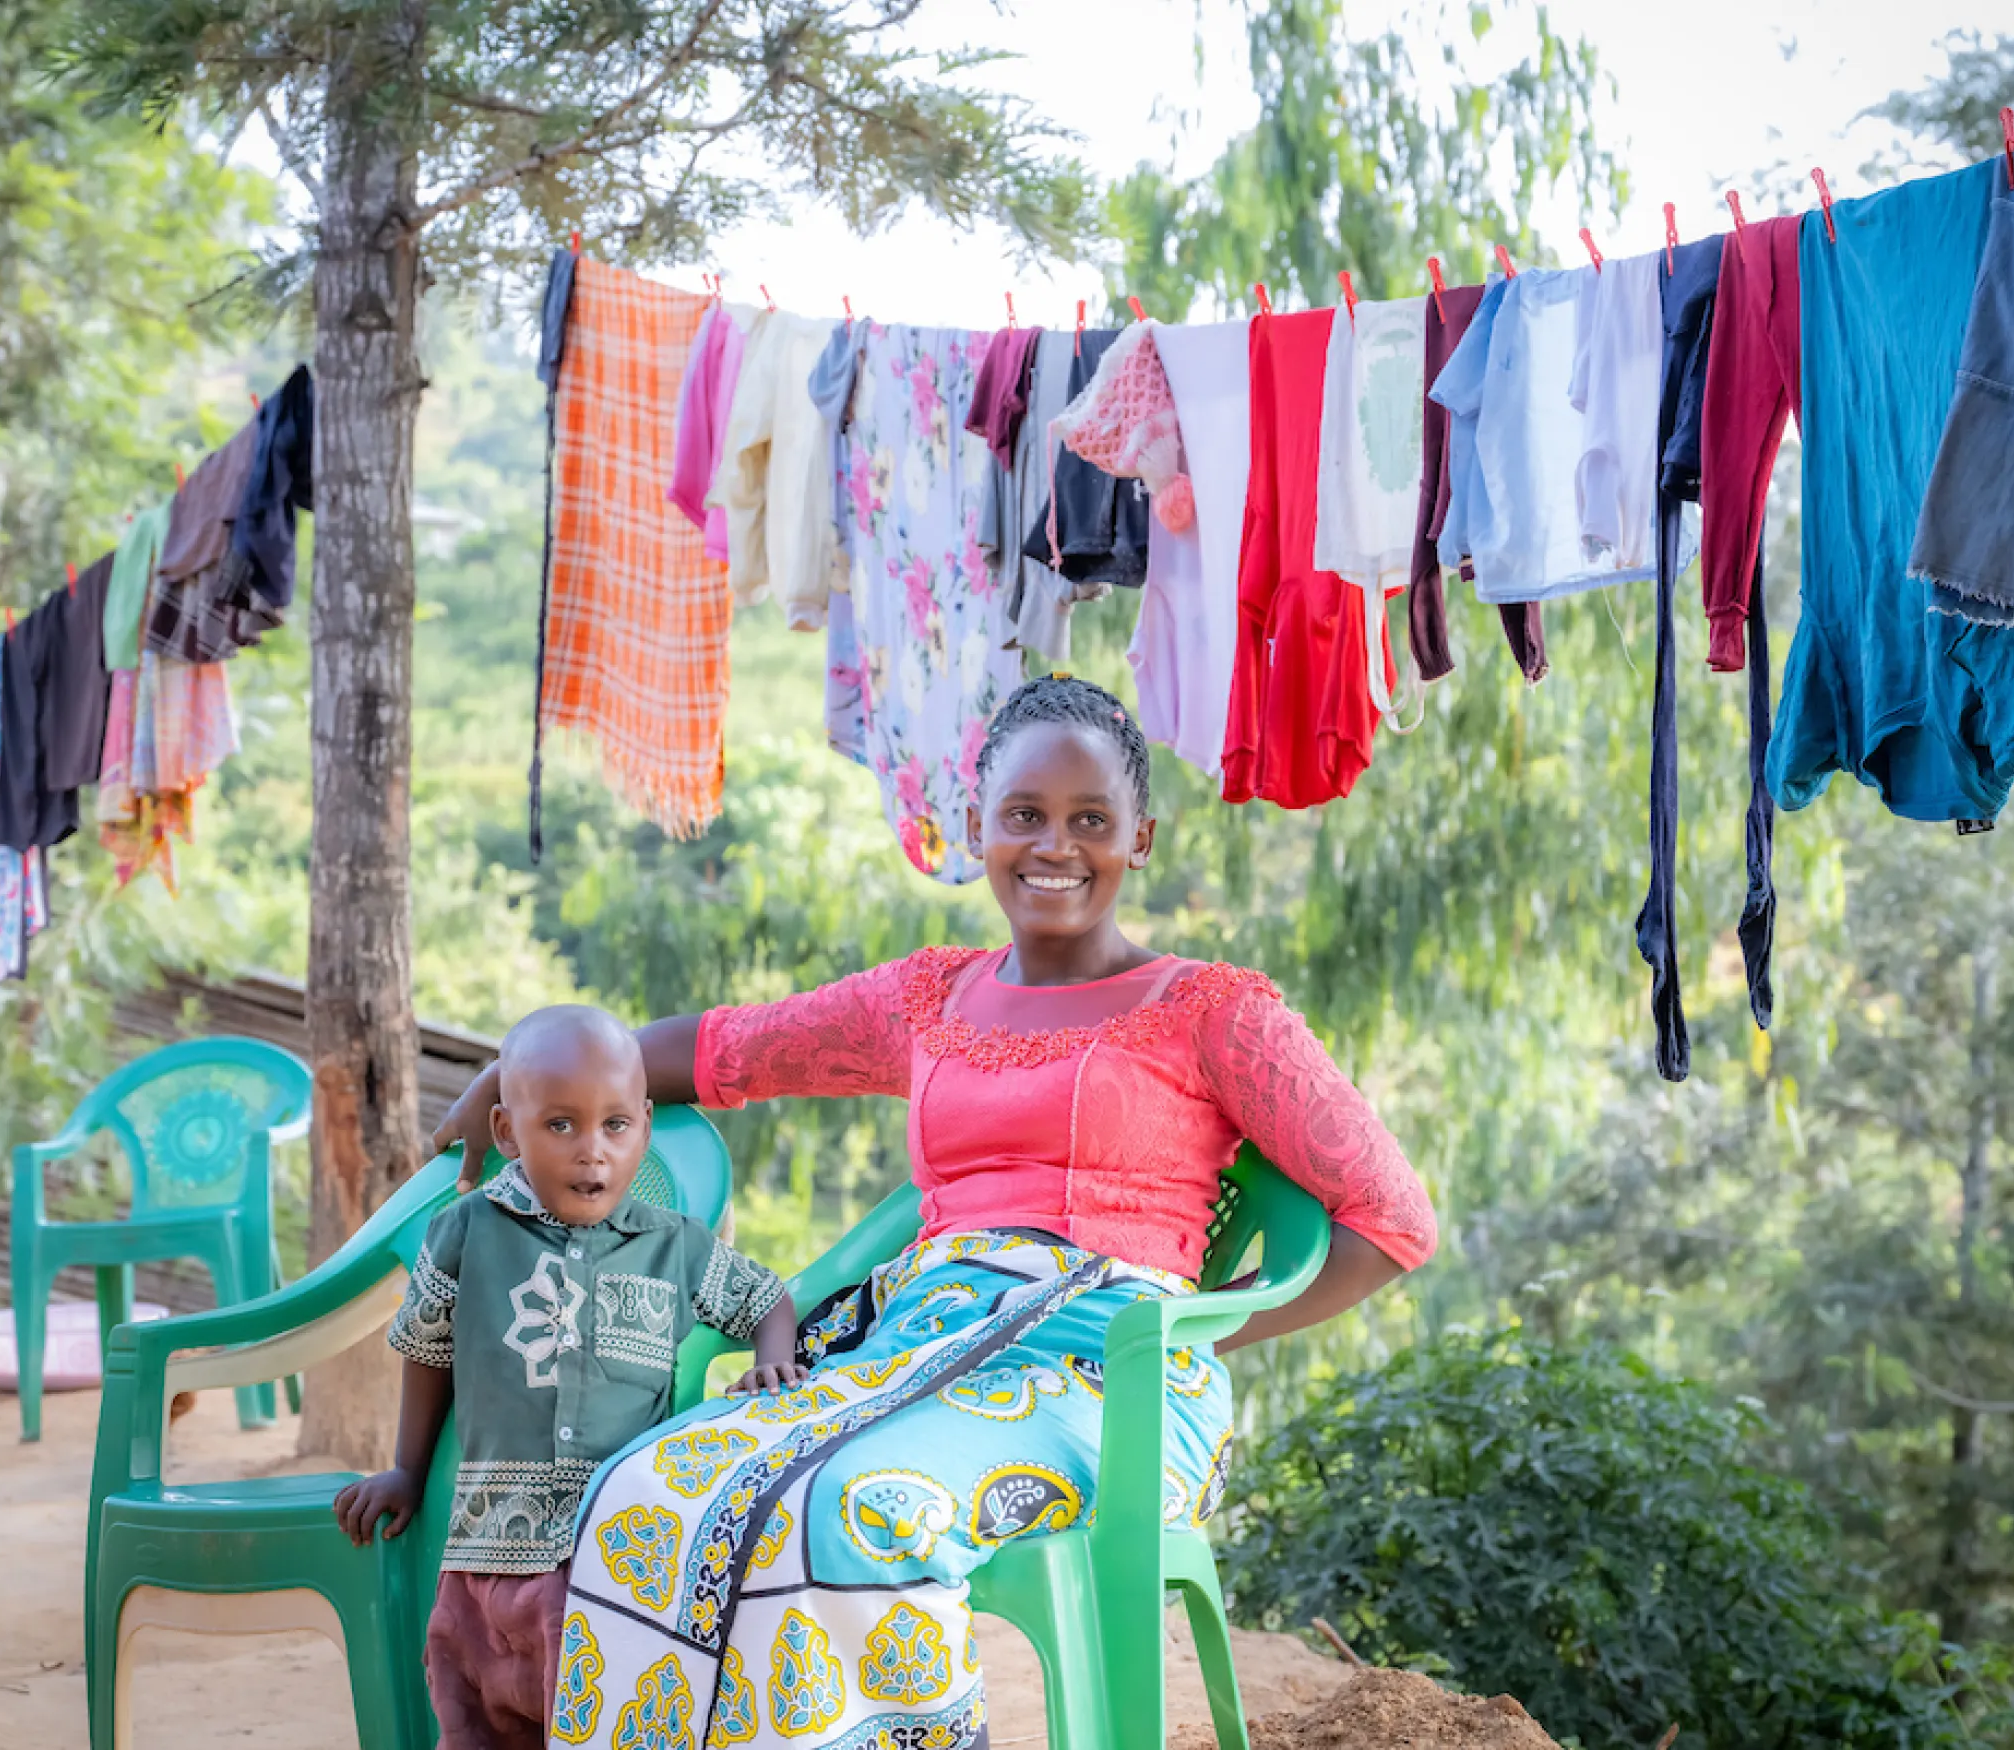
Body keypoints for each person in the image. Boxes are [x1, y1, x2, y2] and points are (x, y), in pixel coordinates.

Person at [428, 675, 1438, 1750]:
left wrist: (1192, 1331)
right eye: (1025, 815)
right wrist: (514, 1072)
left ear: (1140, 837)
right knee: (642, 1492)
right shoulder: (930, 998)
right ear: (975, 828)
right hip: (911, 1349)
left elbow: (1391, 1216)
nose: (1057, 845)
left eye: (1090, 819)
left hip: (1107, 1377)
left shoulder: (1211, 1009)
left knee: (858, 1510)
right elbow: (726, 1050)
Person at [338, 1004, 801, 1750]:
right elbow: (426, 1350)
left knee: (596, 1727)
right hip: (480, 1565)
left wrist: (770, 1358)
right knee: (471, 1723)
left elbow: (767, 1298)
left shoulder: (673, 1246)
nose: (592, 1153)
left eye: (615, 1127)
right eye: (560, 1126)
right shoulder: (465, 1233)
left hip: (605, 1570)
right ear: (506, 1133)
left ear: (644, 1128)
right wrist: (403, 1471)